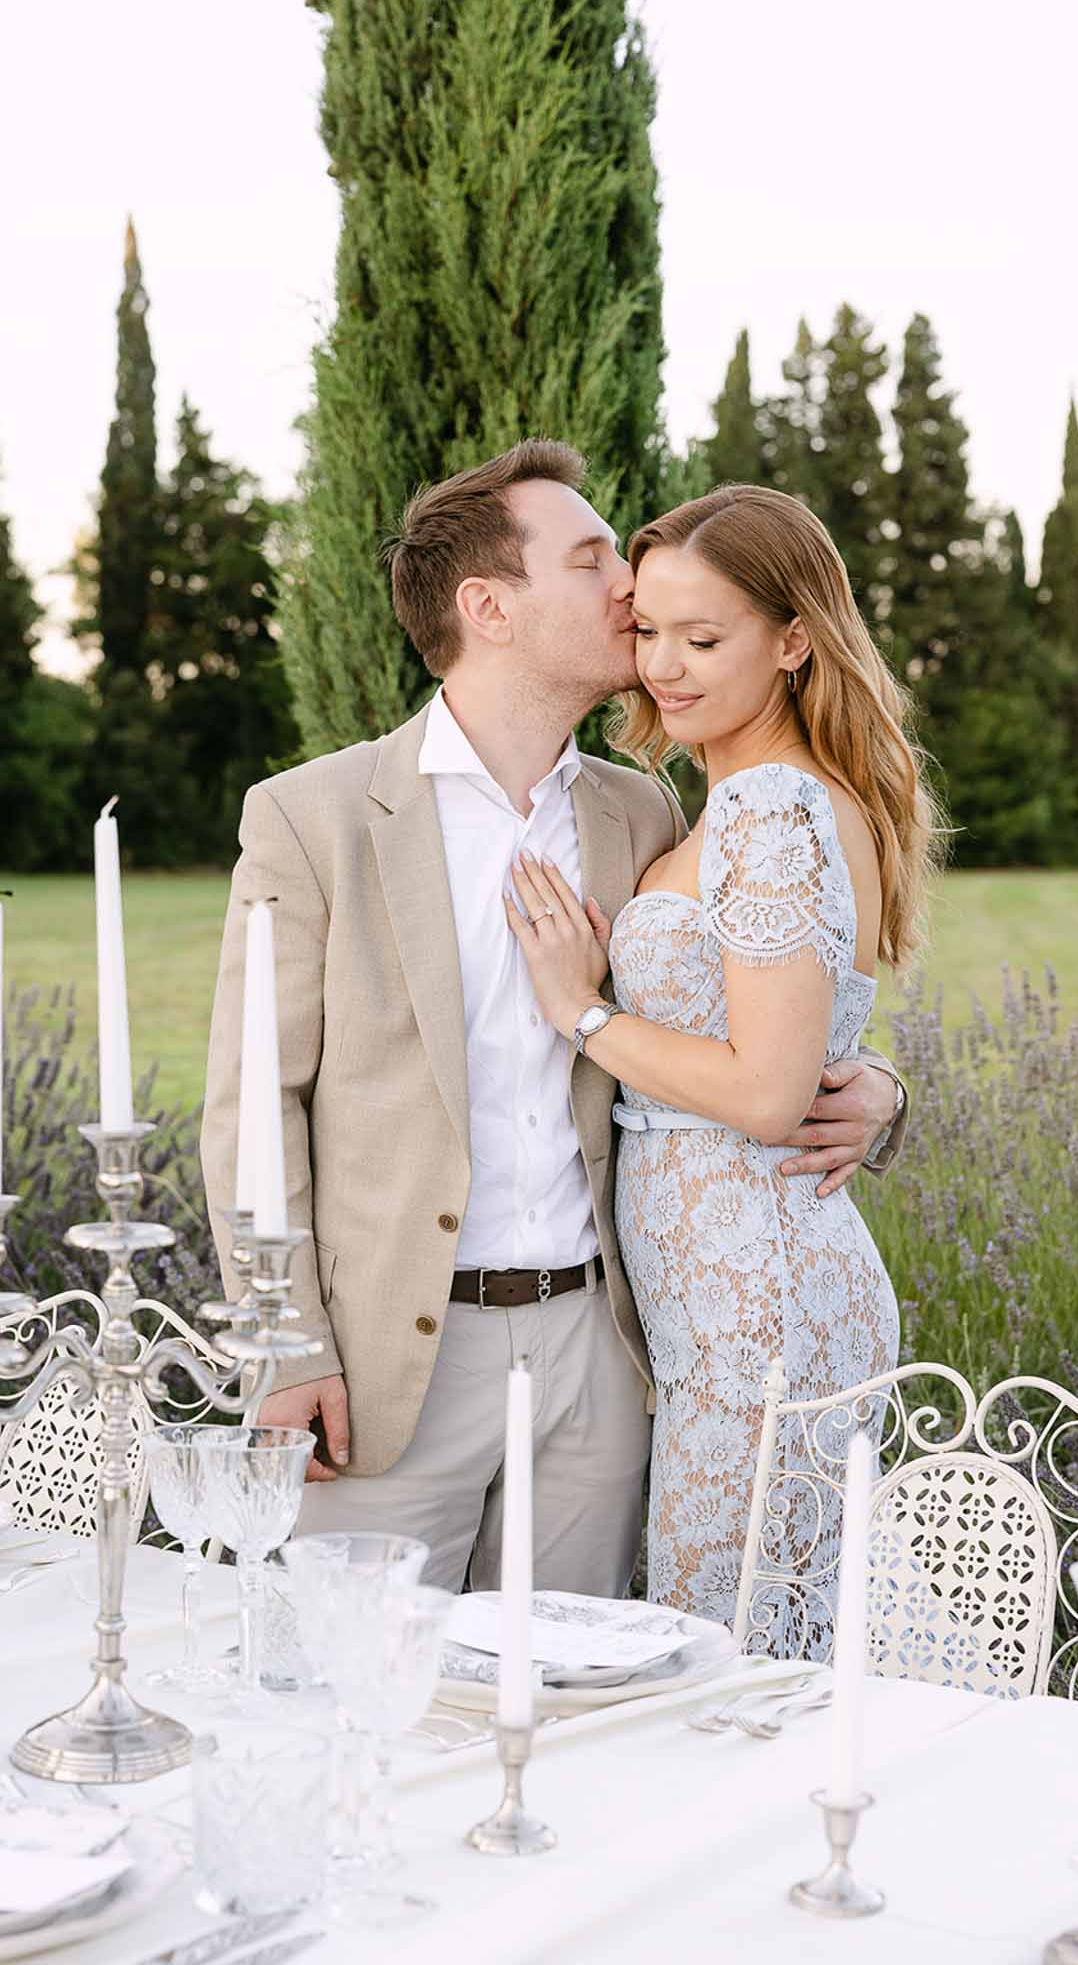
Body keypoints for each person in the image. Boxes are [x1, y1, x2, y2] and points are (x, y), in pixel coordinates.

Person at [201, 444, 909, 1598]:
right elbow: (250, 1109)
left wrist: (871, 1081)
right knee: (353, 1702)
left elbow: (753, 999)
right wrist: (284, 1344)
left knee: (579, 1715)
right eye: (590, 560)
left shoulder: (644, 810)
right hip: (395, 1367)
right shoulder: (314, 817)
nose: (628, 591)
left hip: (606, 1350)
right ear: (488, 606)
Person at [505, 483, 942, 1633]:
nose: (665, 665)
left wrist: (580, 1010)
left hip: (760, 1300)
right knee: (749, 1624)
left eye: (704, 638)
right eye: (647, 630)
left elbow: (765, 1093)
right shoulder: (740, 801)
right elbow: (800, 1040)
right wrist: (880, 1087)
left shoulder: (766, 810)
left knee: (729, 1636)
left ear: (794, 639)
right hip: (728, 1291)